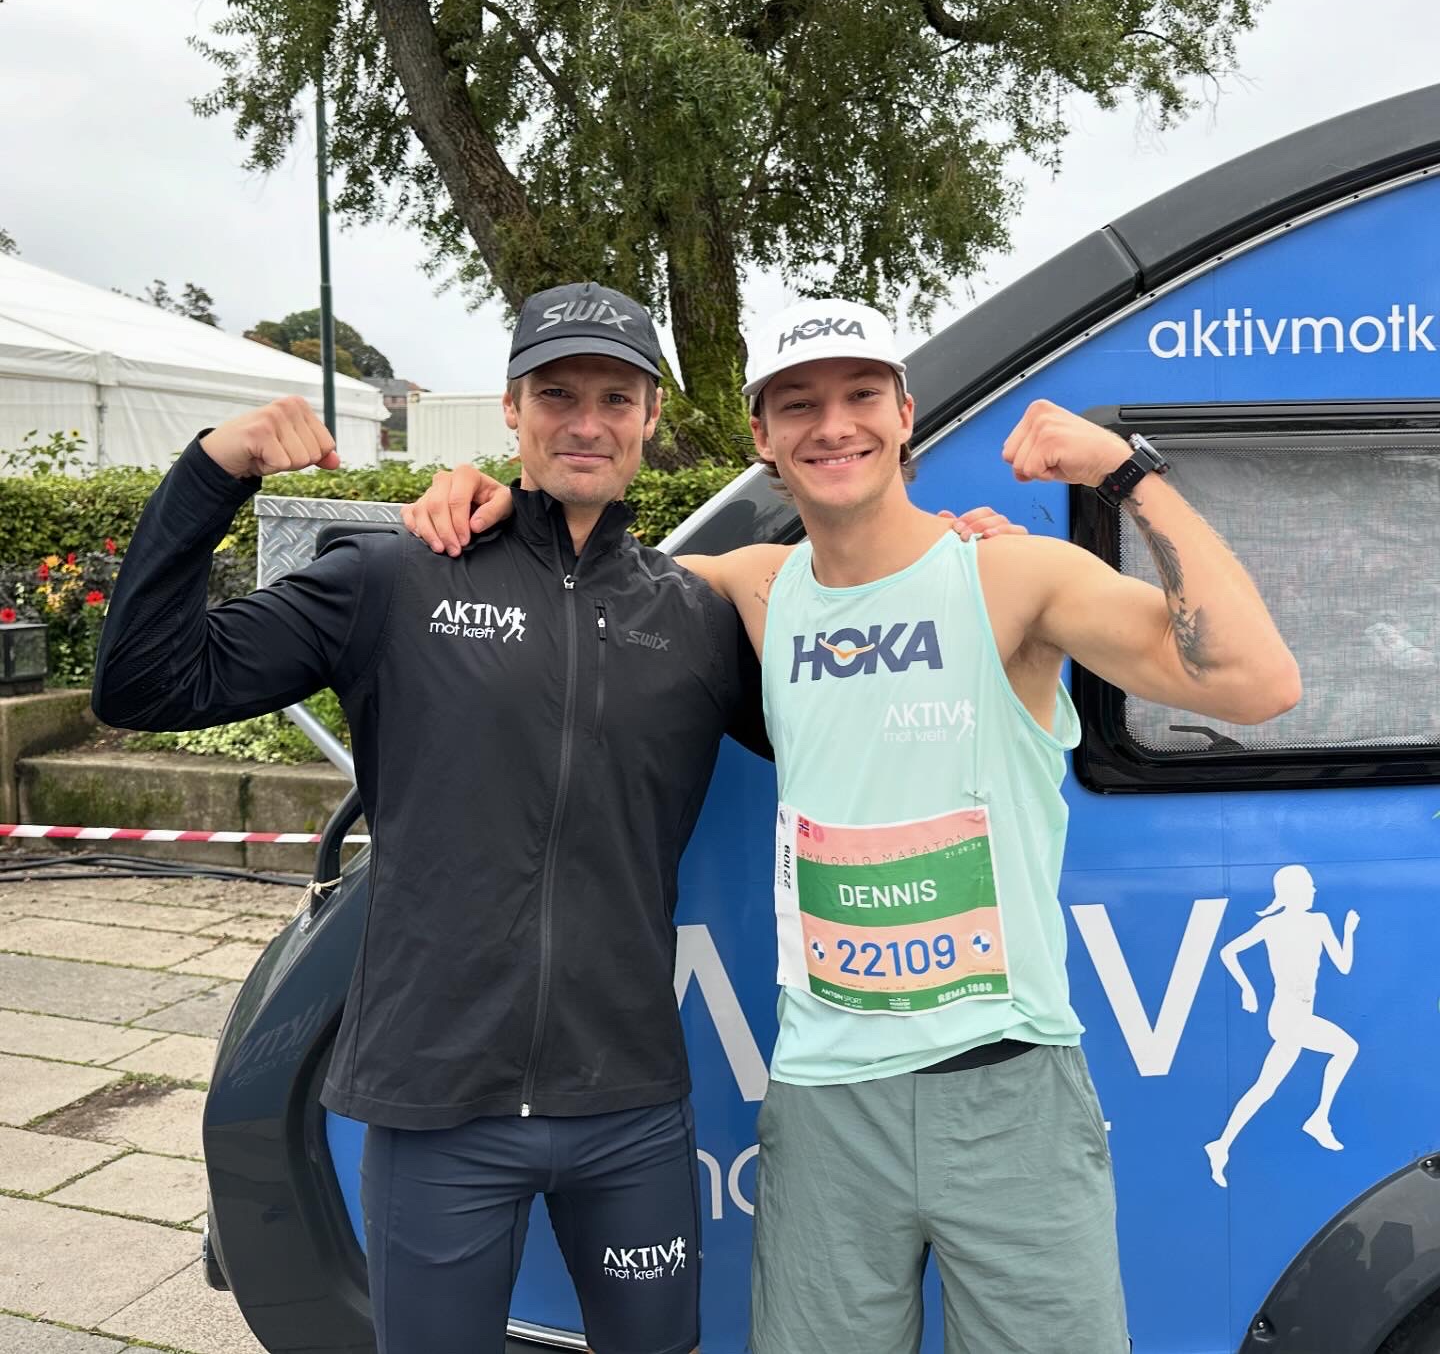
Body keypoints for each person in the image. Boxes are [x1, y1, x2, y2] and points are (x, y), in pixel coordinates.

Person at [91, 281, 1013, 1354]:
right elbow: (147, 683)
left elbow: (871, 738)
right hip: (437, 1105)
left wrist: (937, 573)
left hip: (627, 1110)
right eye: (557, 392)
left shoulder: (695, 617)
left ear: (650, 419)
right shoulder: (396, 576)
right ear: (511, 409)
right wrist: (214, 471)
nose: (586, 420)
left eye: (616, 396)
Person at [409, 296, 1301, 1354]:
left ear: (906, 412)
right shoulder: (755, 587)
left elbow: (1257, 680)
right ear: (762, 437)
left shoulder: (1006, 575)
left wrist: (1125, 471)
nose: (833, 424)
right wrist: (486, 494)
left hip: (1009, 1094)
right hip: (830, 1108)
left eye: (860, 394)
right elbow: (566, 590)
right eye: (799, 404)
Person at [1205, 865, 1360, 1188]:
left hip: (1294, 1016)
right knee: (1347, 1048)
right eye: (1310, 887)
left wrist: (1348, 931)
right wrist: (1247, 988)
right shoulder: (1272, 925)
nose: (1315, 891)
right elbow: (1227, 951)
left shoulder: (1316, 922)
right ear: (1295, 891)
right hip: (1288, 1016)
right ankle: (1319, 1119)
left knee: (1265, 1088)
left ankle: (1221, 1145)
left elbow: (1343, 966)